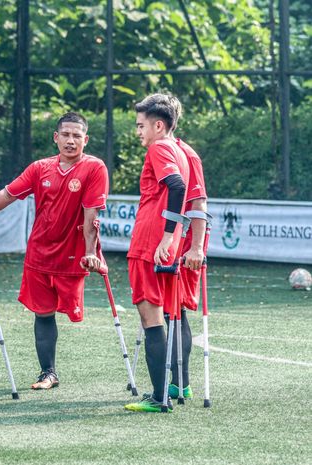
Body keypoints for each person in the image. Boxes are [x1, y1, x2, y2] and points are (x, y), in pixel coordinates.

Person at [0, 112, 109, 390]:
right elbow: (5, 196)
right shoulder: (40, 168)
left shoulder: (94, 168)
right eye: (65, 134)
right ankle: (48, 373)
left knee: (71, 313)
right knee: (43, 313)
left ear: (85, 140)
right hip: (38, 255)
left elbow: (92, 217)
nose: (70, 140)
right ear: (55, 138)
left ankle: (50, 372)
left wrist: (91, 252)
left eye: (77, 135)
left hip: (72, 257)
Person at [124, 93, 190, 413]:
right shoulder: (180, 150)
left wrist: (165, 237)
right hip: (162, 244)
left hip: (150, 244)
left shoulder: (160, 147)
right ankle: (163, 393)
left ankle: (159, 396)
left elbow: (176, 187)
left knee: (151, 320)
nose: (138, 131)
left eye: (141, 125)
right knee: (158, 319)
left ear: (159, 125)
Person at [167, 96, 208, 400]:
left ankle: (181, 382)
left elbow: (198, 202)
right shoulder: (158, 151)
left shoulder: (186, 154)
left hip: (183, 244)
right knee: (164, 313)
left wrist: (195, 247)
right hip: (163, 242)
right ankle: (170, 381)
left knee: (176, 311)